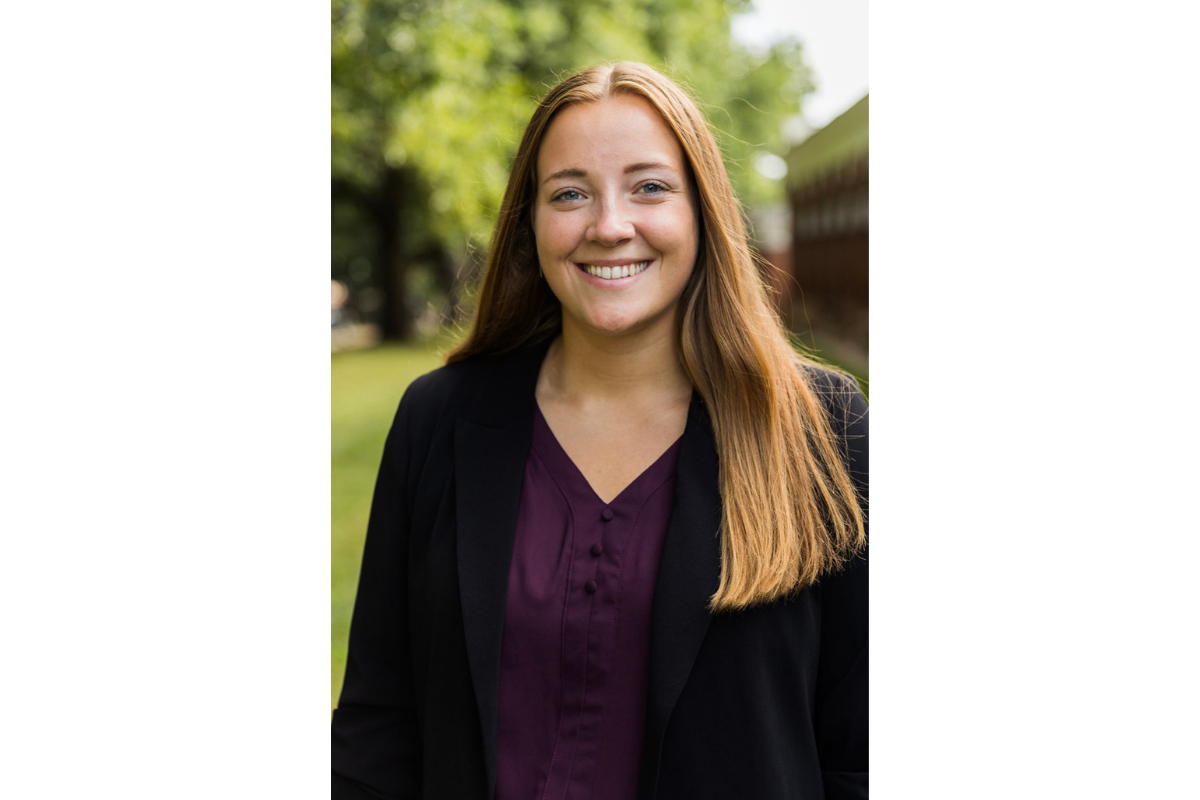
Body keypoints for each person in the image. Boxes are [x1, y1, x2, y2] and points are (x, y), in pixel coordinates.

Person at [331, 61, 869, 800]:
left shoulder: (821, 429)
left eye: (650, 186)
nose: (609, 226)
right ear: (529, 224)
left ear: (703, 211)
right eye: (570, 194)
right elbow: (376, 728)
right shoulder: (440, 421)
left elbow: (859, 750)